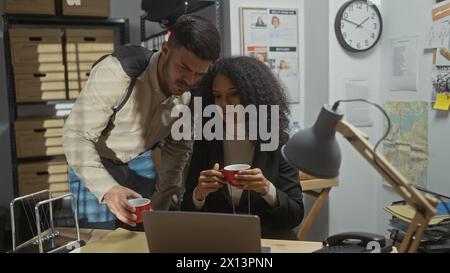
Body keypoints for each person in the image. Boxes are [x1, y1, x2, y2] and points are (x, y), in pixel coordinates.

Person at [63, 15, 221, 229]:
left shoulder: (190, 95)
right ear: (165, 51)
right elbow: (76, 136)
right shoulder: (117, 73)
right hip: (95, 162)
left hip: (140, 161)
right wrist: (108, 189)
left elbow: (178, 149)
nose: (190, 81)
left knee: (145, 238)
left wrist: (163, 200)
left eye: (199, 74)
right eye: (183, 68)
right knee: (99, 242)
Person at [181, 56, 304, 240]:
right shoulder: (206, 142)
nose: (224, 104)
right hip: (219, 242)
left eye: (233, 94)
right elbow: (187, 212)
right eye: (217, 96)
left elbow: (295, 215)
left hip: (269, 242)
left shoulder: (279, 143)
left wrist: (266, 189)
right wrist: (199, 194)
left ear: (253, 96)